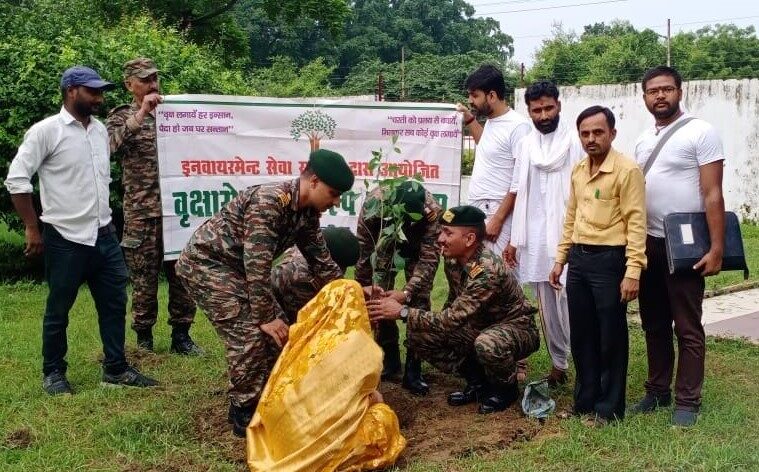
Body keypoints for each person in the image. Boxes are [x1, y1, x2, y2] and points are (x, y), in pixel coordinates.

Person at [175, 149, 354, 437]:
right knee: (249, 334)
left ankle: (269, 398)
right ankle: (243, 412)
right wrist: (264, 317)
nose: (336, 202)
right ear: (314, 182)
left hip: (239, 271)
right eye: (333, 194)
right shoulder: (269, 202)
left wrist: (352, 293)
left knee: (282, 335)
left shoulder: (307, 214)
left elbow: (322, 262)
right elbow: (257, 266)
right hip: (207, 264)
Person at [5, 66, 159, 395]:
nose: (99, 98)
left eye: (101, 91)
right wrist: (32, 227)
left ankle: (116, 368)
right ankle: (54, 373)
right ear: (71, 91)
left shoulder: (100, 130)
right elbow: (17, 179)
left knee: (114, 303)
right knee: (59, 309)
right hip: (65, 237)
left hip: (103, 234)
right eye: (92, 91)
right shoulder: (46, 131)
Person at [368, 206, 540, 414]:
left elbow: (450, 319)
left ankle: (505, 389)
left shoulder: (486, 271)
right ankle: (477, 383)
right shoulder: (453, 260)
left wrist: (403, 312)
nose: (440, 239)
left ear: (469, 239)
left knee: (487, 343)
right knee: (420, 335)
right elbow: (453, 303)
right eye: (441, 231)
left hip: (516, 328)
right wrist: (407, 298)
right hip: (478, 326)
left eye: (448, 233)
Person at [630, 66, 725, 427]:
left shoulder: (701, 132)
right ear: (644, 97)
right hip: (648, 242)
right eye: (653, 91)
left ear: (680, 92)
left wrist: (716, 248)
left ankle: (687, 401)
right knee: (653, 323)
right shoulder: (642, 140)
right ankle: (657, 391)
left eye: (667, 89)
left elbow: (712, 192)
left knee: (687, 326)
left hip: (685, 245)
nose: (660, 95)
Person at [549, 106, 646, 426]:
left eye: (598, 132)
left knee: (610, 337)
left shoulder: (627, 171)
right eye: (585, 133)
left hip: (610, 260)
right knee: (582, 335)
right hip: (578, 260)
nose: (591, 139)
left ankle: (609, 409)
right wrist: (561, 259)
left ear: (612, 133)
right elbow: (571, 217)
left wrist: (633, 271)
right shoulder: (578, 170)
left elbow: (636, 223)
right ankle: (584, 402)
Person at [246, 280, 406, 471]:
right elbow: (369, 399)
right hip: (313, 449)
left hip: (278, 441)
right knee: (382, 415)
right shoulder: (357, 349)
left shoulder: (303, 339)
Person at [107, 57, 201, 355]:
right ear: (129, 85)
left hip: (178, 210)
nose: (153, 84)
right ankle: (144, 340)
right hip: (142, 213)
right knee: (144, 280)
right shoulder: (122, 116)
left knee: (182, 274)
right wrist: (141, 115)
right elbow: (108, 148)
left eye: (155, 78)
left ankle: (181, 336)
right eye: (145, 79)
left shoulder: (176, 113)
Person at [505, 80, 584, 387]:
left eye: (549, 108)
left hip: (571, 233)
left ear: (559, 106)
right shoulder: (526, 145)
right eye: (537, 110)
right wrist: (514, 240)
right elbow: (518, 189)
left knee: (573, 302)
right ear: (529, 111)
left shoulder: (576, 140)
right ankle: (558, 364)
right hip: (536, 237)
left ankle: (584, 365)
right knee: (547, 306)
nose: (544, 115)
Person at [354, 181, 441, 395]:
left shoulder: (432, 212)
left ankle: (413, 369)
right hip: (385, 244)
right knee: (379, 296)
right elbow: (364, 253)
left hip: (417, 247)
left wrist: (407, 292)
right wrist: (364, 287)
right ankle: (390, 358)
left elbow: (429, 259)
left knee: (419, 299)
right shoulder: (374, 206)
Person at [457, 64, 531, 257]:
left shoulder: (518, 127)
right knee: (477, 269)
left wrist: (498, 219)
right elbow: (486, 145)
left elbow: (520, 180)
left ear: (492, 95)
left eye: (475, 95)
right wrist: (469, 118)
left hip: (496, 211)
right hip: (480, 207)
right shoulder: (492, 121)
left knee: (496, 270)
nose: (470, 101)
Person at [271, 226, 360, 323]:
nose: (343, 272)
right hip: (270, 307)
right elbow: (307, 320)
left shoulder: (312, 248)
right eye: (341, 268)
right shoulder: (302, 278)